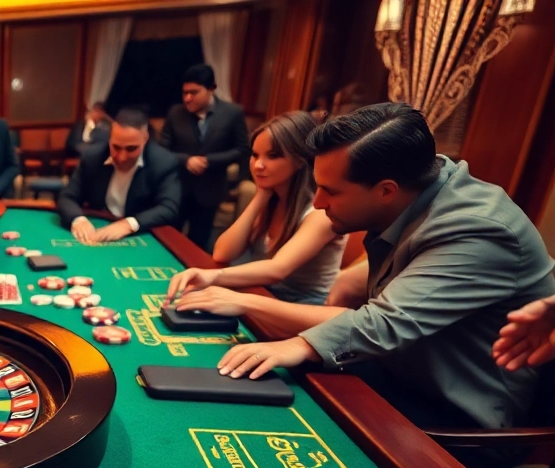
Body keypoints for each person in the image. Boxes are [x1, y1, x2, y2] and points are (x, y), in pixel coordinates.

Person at [196, 104, 553, 446]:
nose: (317, 202)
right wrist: (349, 280)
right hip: (398, 376)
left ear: (386, 190)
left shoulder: (478, 229)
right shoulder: (425, 185)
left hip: (456, 421)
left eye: (331, 191)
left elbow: (387, 321)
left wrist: (298, 344)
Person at [165, 111, 343, 306]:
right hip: (263, 296)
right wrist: (261, 196)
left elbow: (277, 270)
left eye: (273, 156)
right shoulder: (272, 198)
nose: (258, 165)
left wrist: (212, 276)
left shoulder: (320, 212)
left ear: (300, 160)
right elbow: (223, 253)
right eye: (255, 155)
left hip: (300, 309)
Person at [157, 64, 251, 248]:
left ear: (211, 89)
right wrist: (186, 160)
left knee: (199, 243)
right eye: (184, 93)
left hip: (210, 189)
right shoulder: (175, 113)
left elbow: (242, 149)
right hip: (177, 187)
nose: (187, 98)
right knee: (168, 239)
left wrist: (210, 161)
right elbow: (162, 150)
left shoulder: (232, 113)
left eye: (194, 92)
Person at [57, 108, 180, 243]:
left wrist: (129, 224)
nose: (122, 157)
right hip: (99, 228)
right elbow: (67, 196)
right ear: (110, 139)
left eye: (131, 149)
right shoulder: (92, 157)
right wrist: (78, 219)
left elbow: (169, 208)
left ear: (145, 139)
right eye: (116, 147)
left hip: (140, 238)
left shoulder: (163, 162)